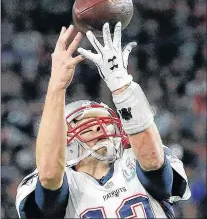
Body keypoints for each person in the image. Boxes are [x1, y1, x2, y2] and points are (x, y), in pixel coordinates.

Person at [16, 22, 191, 218]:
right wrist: (56, 85)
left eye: (106, 121)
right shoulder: (67, 183)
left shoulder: (133, 161)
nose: (100, 128)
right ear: (64, 140)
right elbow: (49, 175)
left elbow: (152, 160)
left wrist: (120, 81)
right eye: (85, 123)